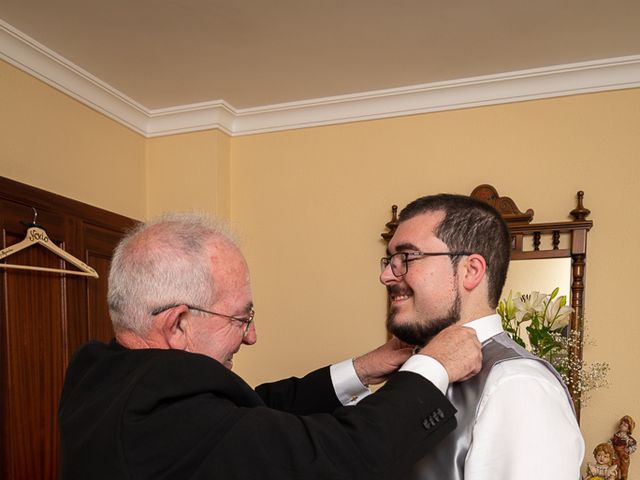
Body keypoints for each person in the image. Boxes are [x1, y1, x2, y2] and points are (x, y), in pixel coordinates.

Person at [58, 212, 482, 480]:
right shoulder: (162, 416)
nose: (251, 335)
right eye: (241, 317)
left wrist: (362, 368)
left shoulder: (102, 371)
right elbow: (347, 456)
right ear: (179, 325)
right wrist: (432, 367)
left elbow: (254, 411)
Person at [379, 193, 584, 479]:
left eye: (406, 257)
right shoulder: (413, 367)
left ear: (471, 271)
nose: (387, 275)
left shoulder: (516, 385)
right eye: (389, 260)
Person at [611, 415, 636, 480]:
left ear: (628, 429)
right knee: (614, 469)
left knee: (624, 470)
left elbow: (634, 446)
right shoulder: (616, 436)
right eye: (622, 424)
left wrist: (629, 450)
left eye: (625, 425)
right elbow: (610, 443)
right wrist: (611, 450)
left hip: (624, 457)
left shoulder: (629, 439)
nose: (622, 425)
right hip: (615, 456)